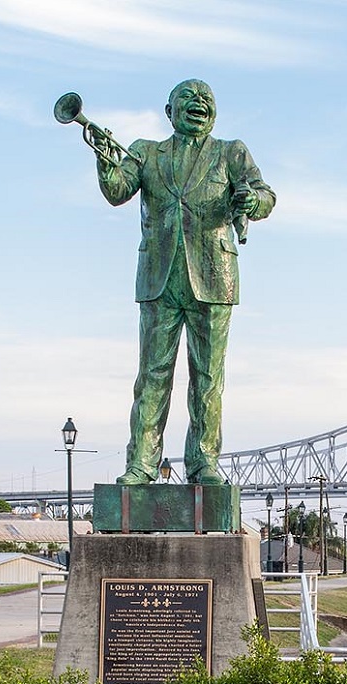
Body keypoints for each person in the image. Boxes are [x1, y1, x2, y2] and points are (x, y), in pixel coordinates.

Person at [96, 79, 274, 485]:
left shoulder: (231, 152)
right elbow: (117, 190)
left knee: (208, 378)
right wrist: (107, 161)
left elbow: (265, 195)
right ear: (169, 111)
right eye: (188, 99)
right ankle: (142, 462)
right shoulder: (145, 152)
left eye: (206, 99)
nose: (198, 104)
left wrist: (252, 201)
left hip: (215, 276)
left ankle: (203, 462)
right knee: (152, 375)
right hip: (160, 276)